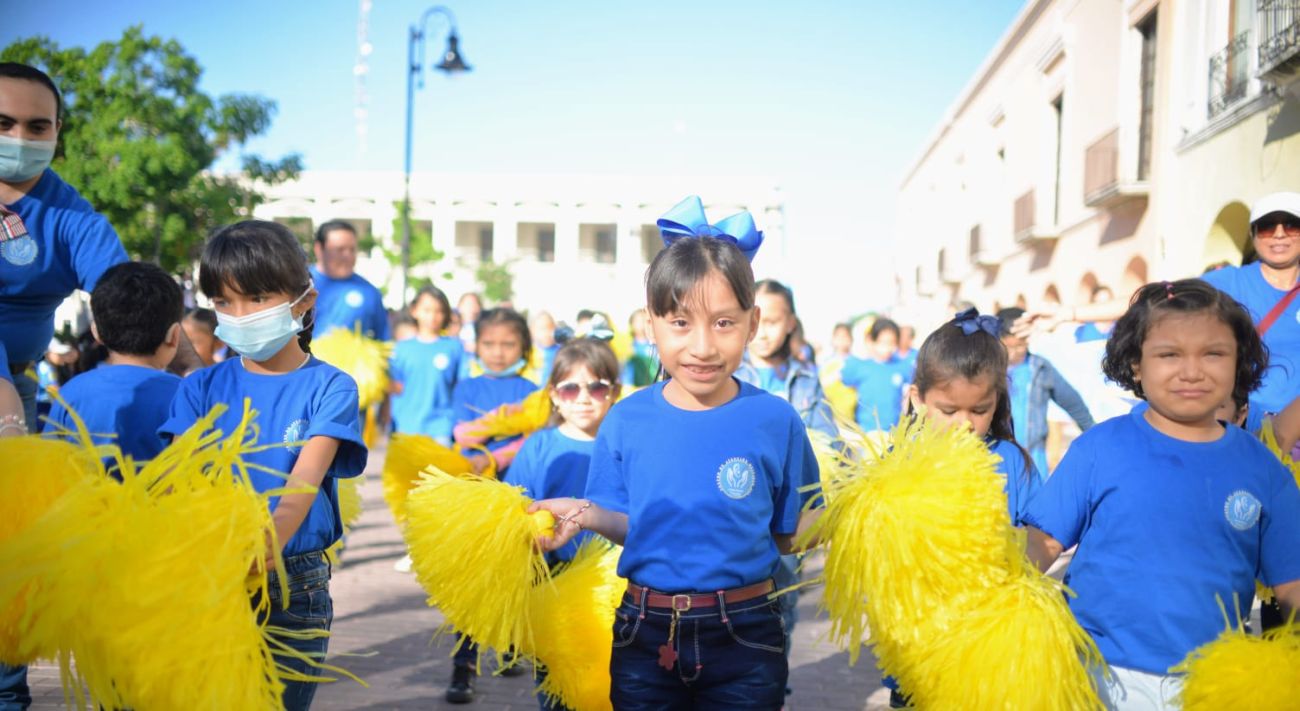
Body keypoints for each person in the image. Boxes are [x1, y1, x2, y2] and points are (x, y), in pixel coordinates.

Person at [531, 196, 821, 710]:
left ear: (752, 325)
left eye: (724, 323)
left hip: (747, 636)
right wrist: (584, 515)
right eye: (681, 323)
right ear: (651, 326)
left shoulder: (777, 420)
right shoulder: (626, 418)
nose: (703, 347)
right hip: (644, 634)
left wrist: (854, 519)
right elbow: (629, 522)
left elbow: (788, 535)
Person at [1022, 279, 1300, 710]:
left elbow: (1291, 585)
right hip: (1092, 672)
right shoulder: (1100, 448)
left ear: (1238, 363)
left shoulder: (1264, 470)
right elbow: (1041, 545)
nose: (1192, 371)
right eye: (1169, 354)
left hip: (1210, 684)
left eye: (1213, 353)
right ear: (1136, 364)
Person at [159, 220, 367, 711]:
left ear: (304, 302)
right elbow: (174, 479)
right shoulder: (199, 389)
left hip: (294, 583)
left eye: (256, 299)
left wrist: (266, 544)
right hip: (207, 574)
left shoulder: (331, 388)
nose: (239, 315)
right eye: (224, 302)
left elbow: (302, 485)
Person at [0, 60, 132, 707]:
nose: (19, 135)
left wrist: (193, 381)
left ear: (57, 134)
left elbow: (128, 299)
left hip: (16, 388)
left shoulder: (68, 210)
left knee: (10, 554)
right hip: (3, 399)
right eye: (2, 123)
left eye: (36, 124)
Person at [886, 307, 1040, 708]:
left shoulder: (1012, 462)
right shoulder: (898, 462)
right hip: (917, 651)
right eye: (949, 411)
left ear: (997, 402)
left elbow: (1041, 541)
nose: (965, 424)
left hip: (989, 650)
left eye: (979, 410)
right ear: (918, 400)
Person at [735, 278, 836, 701]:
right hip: (741, 508)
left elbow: (829, 440)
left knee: (784, 605)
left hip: (788, 515)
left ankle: (773, 684)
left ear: (789, 322)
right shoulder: (729, 372)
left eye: (775, 320)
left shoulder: (807, 382)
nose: (766, 330)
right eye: (759, 319)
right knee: (737, 600)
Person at [509, 337, 622, 710]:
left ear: (614, 392)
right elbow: (516, 505)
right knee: (554, 675)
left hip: (615, 583)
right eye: (572, 387)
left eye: (597, 387)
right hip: (552, 578)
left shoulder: (622, 446)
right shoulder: (540, 446)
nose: (584, 397)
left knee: (610, 674)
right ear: (555, 395)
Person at [445, 306, 538, 703]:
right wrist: (509, 422)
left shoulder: (532, 391)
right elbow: (462, 432)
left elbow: (534, 436)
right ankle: (463, 665)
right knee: (471, 581)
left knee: (515, 573)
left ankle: (509, 646)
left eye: (508, 344)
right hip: (473, 494)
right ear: (476, 345)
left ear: (523, 347)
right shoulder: (467, 387)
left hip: (516, 492)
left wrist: (497, 455)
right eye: (489, 344)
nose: (498, 352)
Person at [43, 262, 183, 468]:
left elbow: (47, 464)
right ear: (174, 336)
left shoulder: (72, 392)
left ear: (96, 332)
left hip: (82, 499)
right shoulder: (187, 395)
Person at [1201, 192, 1300, 418]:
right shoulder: (1228, 282)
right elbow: (1162, 299)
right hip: (1247, 424)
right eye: (1267, 226)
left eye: (1291, 226)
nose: (1279, 235)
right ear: (1252, 234)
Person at [996, 307, 1095, 478]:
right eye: (1008, 346)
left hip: (1033, 461)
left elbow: (1074, 405)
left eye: (1020, 346)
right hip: (997, 461)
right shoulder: (990, 370)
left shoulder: (1040, 368)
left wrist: (1095, 436)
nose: (1013, 353)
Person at [389, 286, 463, 446]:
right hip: (407, 426)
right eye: (427, 310)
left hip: (441, 427)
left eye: (439, 311)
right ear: (414, 311)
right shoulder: (401, 349)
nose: (433, 316)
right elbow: (394, 386)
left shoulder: (455, 347)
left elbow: (462, 385)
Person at [310, 219, 390, 341]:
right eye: (340, 249)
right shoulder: (296, 285)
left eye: (352, 249)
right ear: (319, 249)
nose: (347, 256)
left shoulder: (369, 292)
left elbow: (383, 341)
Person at [841, 318, 912, 431]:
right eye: (883, 342)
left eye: (892, 343)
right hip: (866, 432)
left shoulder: (902, 366)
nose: (888, 348)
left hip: (893, 432)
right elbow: (842, 381)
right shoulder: (860, 366)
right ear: (872, 341)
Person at [620, 308, 657, 388]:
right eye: (638, 321)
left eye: (644, 320)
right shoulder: (628, 345)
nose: (641, 324)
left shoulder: (655, 345)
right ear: (631, 324)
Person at [530, 310, 560, 383]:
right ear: (532, 332)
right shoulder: (530, 352)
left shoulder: (561, 350)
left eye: (550, 328)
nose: (546, 333)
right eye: (541, 329)